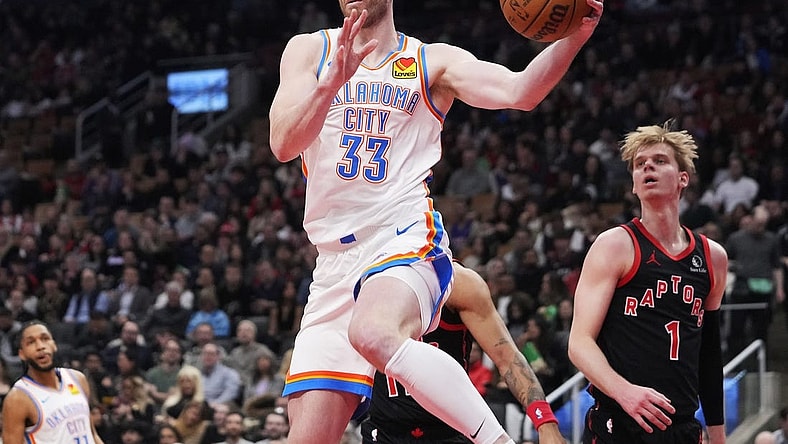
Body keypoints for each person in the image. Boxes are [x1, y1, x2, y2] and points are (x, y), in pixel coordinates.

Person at [268, 0, 603, 442]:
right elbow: (282, 144)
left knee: (373, 333)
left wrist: (575, 36)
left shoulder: (431, 61)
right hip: (332, 264)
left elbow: (520, 92)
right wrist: (329, 86)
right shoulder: (310, 51)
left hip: (402, 236)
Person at [567, 122, 728, 444]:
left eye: (659, 160)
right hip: (619, 423)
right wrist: (624, 392)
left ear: (683, 179)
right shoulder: (615, 245)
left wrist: (719, 436)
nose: (647, 167)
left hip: (682, 428)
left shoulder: (713, 257)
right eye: (640, 164)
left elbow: (709, 356)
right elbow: (579, 344)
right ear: (634, 185)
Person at [361, 263, 563, 443]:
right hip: (385, 430)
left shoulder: (460, 283)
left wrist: (545, 423)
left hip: (450, 429)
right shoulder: (365, 279)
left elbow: (507, 357)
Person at [2, 321, 105, 444]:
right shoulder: (18, 398)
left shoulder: (78, 378)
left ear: (54, 344)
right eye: (31, 342)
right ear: (22, 354)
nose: (40, 346)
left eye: (45, 339)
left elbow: (92, 434)